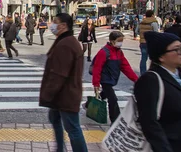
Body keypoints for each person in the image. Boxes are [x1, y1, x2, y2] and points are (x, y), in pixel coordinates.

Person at [134, 31, 181, 152]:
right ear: (161, 56)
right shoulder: (150, 80)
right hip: (167, 146)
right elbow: (149, 123)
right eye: (176, 49)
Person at [39, 13, 88, 152]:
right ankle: (59, 149)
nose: (52, 25)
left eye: (55, 22)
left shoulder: (65, 44)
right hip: (63, 94)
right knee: (55, 119)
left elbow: (59, 74)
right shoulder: (66, 40)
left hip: (66, 95)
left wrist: (48, 94)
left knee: (73, 128)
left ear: (63, 25)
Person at [91, 30, 138, 123]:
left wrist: (136, 79)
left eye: (121, 41)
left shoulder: (119, 52)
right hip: (105, 79)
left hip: (112, 78)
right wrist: (96, 84)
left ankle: (89, 104)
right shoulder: (104, 52)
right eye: (119, 40)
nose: (121, 43)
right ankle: (115, 120)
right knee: (113, 99)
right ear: (112, 41)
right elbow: (97, 68)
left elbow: (125, 67)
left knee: (104, 95)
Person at [139, 9, 160, 74]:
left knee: (143, 59)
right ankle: (153, 73)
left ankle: (143, 73)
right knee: (154, 59)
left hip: (142, 42)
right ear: (152, 15)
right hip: (151, 43)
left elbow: (137, 30)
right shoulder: (153, 22)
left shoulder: (142, 22)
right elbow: (156, 32)